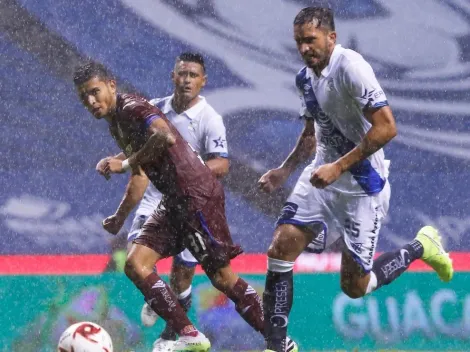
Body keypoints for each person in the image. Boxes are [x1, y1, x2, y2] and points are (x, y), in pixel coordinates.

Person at [258, 7, 454, 352]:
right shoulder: (305, 78)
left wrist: (339, 166)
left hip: (363, 188)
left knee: (356, 287)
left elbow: (387, 127)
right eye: (299, 42)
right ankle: (277, 345)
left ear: (331, 37)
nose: (304, 48)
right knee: (280, 247)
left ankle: (422, 246)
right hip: (320, 179)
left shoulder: (351, 68)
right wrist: (284, 170)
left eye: (311, 40)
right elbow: (310, 133)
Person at [74, 62, 297, 352]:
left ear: (111, 85)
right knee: (135, 264)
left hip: (195, 196)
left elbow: (164, 136)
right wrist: (120, 216)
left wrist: (126, 162)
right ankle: (190, 336)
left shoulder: (131, 108)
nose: (91, 101)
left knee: (222, 277)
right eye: (84, 97)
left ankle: (280, 343)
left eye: (95, 92)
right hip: (174, 200)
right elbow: (140, 174)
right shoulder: (116, 123)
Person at [100, 52, 230, 351]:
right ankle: (156, 301)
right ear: (173, 77)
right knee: (135, 257)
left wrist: (186, 173)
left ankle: (173, 335)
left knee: (182, 278)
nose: (186, 80)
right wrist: (116, 160)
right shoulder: (154, 108)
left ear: (203, 81)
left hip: (190, 200)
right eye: (182, 74)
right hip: (155, 196)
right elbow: (138, 146)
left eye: (193, 76)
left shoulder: (209, 119)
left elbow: (222, 164)